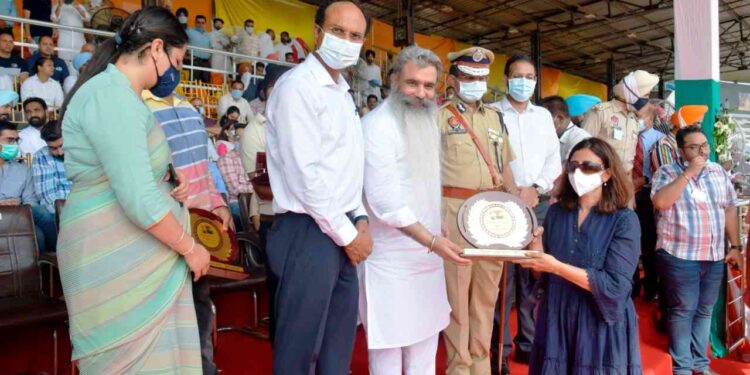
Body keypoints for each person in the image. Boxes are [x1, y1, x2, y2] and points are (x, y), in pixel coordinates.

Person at [56, 7, 209, 372]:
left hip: (142, 264)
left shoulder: (119, 95)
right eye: (176, 60)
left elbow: (132, 174)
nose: (177, 72)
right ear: (156, 48)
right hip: (116, 264)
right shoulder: (111, 96)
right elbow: (138, 199)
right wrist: (191, 249)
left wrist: (168, 178)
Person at [265, 1, 372, 373]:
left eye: (355, 36)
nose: (345, 41)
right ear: (316, 33)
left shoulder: (342, 92)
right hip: (308, 230)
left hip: (340, 228)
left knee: (337, 343)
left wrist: (359, 218)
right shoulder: (298, 88)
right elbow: (305, 175)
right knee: (300, 348)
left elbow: (346, 169)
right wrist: (348, 234)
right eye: (338, 31)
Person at [360, 45, 470, 375]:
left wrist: (437, 229)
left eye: (427, 86)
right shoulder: (377, 126)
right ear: (393, 80)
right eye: (412, 84)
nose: (420, 94)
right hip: (389, 261)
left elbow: (423, 183)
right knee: (388, 355)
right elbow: (386, 203)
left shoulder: (427, 121)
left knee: (425, 348)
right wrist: (433, 240)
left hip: (427, 256)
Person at [513, 137, 642, 374]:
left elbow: (616, 286)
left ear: (606, 174)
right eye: (573, 166)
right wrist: (536, 250)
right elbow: (540, 273)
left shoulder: (624, 220)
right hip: (557, 315)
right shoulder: (556, 213)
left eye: (588, 167)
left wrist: (556, 267)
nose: (578, 172)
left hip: (599, 322)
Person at [439, 46, 520, 375]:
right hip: (454, 213)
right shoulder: (439, 117)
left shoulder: (496, 119)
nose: (475, 82)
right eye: (468, 76)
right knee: (457, 299)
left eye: (480, 77)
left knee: (487, 297)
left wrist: (518, 216)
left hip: (493, 215)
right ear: (454, 78)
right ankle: (459, 367)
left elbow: (507, 171)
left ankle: (481, 365)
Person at [143, 86, 233, 375]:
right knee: (165, 308)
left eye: (183, 59)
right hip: (164, 227)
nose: (176, 67)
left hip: (198, 226)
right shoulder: (139, 106)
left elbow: (202, 167)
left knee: (199, 302)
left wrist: (217, 203)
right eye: (175, 58)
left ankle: (203, 366)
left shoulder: (188, 107)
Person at [489, 53, 561, 373]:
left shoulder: (543, 116)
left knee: (532, 277)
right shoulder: (492, 114)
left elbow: (553, 160)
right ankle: (500, 350)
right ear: (506, 79)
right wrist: (512, 191)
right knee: (502, 281)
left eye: (530, 77)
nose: (524, 82)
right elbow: (491, 159)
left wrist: (535, 187)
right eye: (518, 76)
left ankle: (528, 344)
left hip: (537, 203)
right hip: (502, 204)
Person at [651, 125, 742, 375]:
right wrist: (689, 173)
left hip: (713, 255)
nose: (702, 151)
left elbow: (730, 208)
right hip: (679, 255)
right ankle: (682, 366)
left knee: (704, 311)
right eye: (694, 147)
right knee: (683, 310)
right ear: (681, 150)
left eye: (704, 145)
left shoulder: (718, 172)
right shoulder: (666, 172)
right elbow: (660, 202)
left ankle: (700, 364)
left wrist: (735, 246)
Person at [239, 64, 290, 343]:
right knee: (281, 293)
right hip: (275, 221)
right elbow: (262, 189)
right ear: (267, 91)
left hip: (309, 219)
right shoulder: (254, 133)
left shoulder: (303, 123)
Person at [582, 70, 658, 173]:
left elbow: (629, 158)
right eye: (645, 95)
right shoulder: (600, 113)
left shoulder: (633, 118)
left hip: (625, 178)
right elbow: (583, 148)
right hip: (603, 176)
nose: (647, 100)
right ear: (633, 94)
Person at [0, 120, 57, 253]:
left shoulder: (23, 170)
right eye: (9, 140)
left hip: (17, 215)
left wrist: (19, 205)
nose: (14, 145)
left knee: (39, 230)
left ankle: (56, 260)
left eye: (16, 140)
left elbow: (30, 200)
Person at [631, 103, 665, 301]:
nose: (636, 119)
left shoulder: (660, 141)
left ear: (651, 120)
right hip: (626, 193)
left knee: (649, 241)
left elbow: (662, 171)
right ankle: (632, 285)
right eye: (634, 115)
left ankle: (651, 287)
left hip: (648, 194)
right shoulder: (627, 136)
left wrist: (644, 181)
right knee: (629, 240)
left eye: (640, 116)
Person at [32, 120, 69, 250]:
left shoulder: (84, 151)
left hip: (84, 207)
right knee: (41, 212)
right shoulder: (41, 156)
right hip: (57, 212)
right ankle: (60, 256)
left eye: (61, 146)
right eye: (52, 148)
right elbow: (47, 196)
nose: (59, 152)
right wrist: (66, 216)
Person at [650, 105, 708, 174]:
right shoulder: (663, 146)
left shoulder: (687, 143)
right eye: (698, 123)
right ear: (684, 124)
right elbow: (669, 176)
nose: (699, 128)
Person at [542, 95, 590, 160]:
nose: (540, 124)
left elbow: (568, 168)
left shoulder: (581, 139)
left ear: (560, 118)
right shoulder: (551, 136)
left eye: (544, 120)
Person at [186, 15, 211, 83]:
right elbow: (181, 43)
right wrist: (186, 57)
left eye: (202, 23)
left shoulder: (208, 35)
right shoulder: (189, 32)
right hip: (194, 60)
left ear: (205, 24)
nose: (200, 24)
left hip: (206, 62)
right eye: (198, 22)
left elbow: (211, 49)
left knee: (206, 82)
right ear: (195, 23)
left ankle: (206, 94)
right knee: (193, 81)